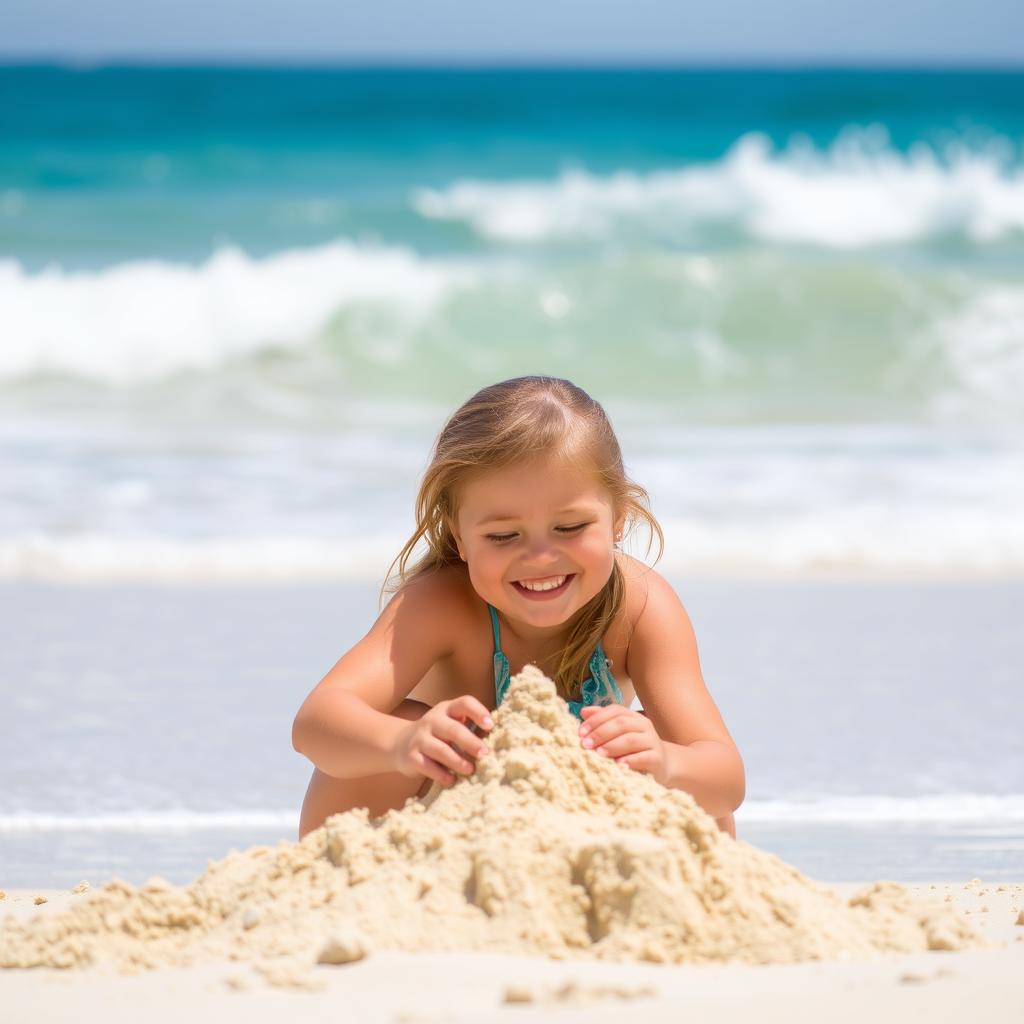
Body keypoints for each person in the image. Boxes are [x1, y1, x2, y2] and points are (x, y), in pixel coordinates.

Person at [293, 376, 744, 840]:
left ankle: (688, 902)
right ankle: (337, 883)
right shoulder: (440, 606)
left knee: (659, 745)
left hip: (573, 842)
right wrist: (402, 744)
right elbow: (316, 722)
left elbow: (726, 779)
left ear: (618, 518)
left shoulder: (642, 607)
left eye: (570, 527)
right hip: (437, 832)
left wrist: (667, 763)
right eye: (503, 537)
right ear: (459, 536)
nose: (540, 556)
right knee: (398, 722)